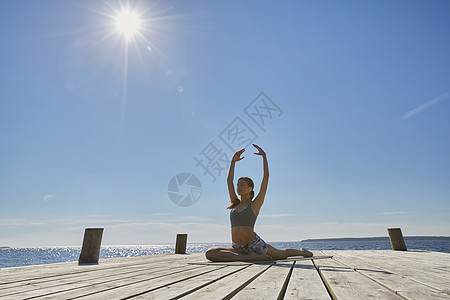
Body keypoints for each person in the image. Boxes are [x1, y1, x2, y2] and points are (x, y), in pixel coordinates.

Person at [205, 144, 313, 262]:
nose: (238, 187)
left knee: (282, 254)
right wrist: (233, 162)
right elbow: (228, 181)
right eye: (238, 185)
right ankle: (248, 257)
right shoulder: (235, 203)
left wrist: (264, 157)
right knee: (210, 253)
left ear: (250, 188)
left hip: (254, 245)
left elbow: (266, 177)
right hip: (237, 247)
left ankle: (302, 252)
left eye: (242, 185)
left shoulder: (255, 204)